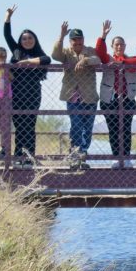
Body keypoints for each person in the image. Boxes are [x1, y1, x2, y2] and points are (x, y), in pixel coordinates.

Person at [4, 5, 51, 168]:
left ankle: (30, 157)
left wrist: (28, 62)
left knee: (30, 125)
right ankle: (19, 157)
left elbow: (47, 60)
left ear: (35, 40)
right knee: (19, 126)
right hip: (16, 94)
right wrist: (8, 18)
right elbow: (7, 35)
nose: (27, 40)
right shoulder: (16, 52)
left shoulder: (39, 54)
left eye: (30, 38)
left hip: (33, 94)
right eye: (24, 38)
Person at [52, 22, 101, 169]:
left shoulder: (90, 51)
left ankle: (83, 155)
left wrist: (85, 60)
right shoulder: (66, 53)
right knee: (76, 125)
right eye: (74, 40)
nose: (77, 42)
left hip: (89, 96)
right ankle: (74, 155)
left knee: (88, 127)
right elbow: (55, 55)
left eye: (80, 39)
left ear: (83, 40)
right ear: (70, 41)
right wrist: (61, 36)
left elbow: (98, 60)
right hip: (72, 96)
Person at [96, 20, 136, 168]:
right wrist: (103, 36)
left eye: (121, 44)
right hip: (109, 99)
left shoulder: (130, 60)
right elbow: (99, 53)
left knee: (126, 128)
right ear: (112, 46)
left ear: (125, 46)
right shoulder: (107, 60)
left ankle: (126, 157)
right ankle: (116, 157)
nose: (119, 47)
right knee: (113, 128)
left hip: (127, 98)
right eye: (116, 44)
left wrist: (122, 62)